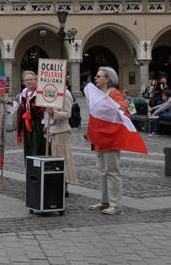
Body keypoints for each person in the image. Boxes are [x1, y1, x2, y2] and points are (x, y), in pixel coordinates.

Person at [88, 66, 129, 215]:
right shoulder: (99, 94)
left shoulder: (115, 94)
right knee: (102, 171)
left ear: (108, 79)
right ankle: (104, 201)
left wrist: (120, 109)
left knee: (112, 172)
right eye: (96, 76)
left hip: (111, 138)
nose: (96, 78)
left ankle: (115, 204)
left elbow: (125, 109)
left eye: (99, 76)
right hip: (99, 138)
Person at [46, 89, 78, 196]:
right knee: (55, 159)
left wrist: (54, 113)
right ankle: (57, 184)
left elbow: (67, 113)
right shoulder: (50, 91)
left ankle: (64, 187)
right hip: (52, 130)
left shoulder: (66, 93)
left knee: (62, 159)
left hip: (62, 131)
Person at [16, 71, 47, 157]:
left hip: (39, 124)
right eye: (26, 80)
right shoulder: (24, 92)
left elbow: (47, 110)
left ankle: (39, 166)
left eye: (31, 79)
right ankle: (30, 166)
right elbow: (20, 106)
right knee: (28, 146)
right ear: (24, 82)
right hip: (26, 125)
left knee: (38, 147)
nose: (29, 81)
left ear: (36, 80)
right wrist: (11, 104)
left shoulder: (41, 92)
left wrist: (47, 124)